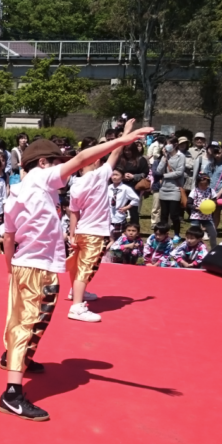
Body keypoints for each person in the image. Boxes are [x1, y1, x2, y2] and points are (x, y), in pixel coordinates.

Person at [0, 123, 153, 421]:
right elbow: (82, 159)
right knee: (27, 323)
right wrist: (120, 141)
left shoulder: (17, 192)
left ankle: (15, 358)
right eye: (58, 162)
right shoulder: (41, 177)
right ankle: (12, 395)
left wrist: (8, 268)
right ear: (44, 163)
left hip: (28, 265)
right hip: (35, 267)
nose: (65, 170)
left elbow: (8, 236)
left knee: (29, 318)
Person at [67, 121, 137, 323]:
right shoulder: (99, 175)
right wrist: (125, 133)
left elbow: (73, 212)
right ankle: (77, 307)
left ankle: (76, 292)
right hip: (95, 232)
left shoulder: (76, 185)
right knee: (86, 267)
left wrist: (72, 234)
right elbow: (116, 152)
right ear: (96, 162)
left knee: (78, 264)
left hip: (81, 230)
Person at [154, 138, 186, 234]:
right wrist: (164, 158)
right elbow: (159, 170)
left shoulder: (181, 156)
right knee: (164, 214)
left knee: (174, 214)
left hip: (175, 188)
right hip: (164, 188)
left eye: (169, 144)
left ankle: (176, 234)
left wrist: (165, 176)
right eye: (166, 144)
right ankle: (163, 233)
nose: (167, 146)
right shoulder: (166, 156)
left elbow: (179, 172)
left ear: (175, 144)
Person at [188, 173, 219, 249]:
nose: (203, 186)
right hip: (196, 216)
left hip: (207, 217)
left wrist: (211, 206)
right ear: (198, 183)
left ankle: (214, 249)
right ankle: (194, 248)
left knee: (213, 233)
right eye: (201, 184)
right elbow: (188, 204)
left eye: (205, 185)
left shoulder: (211, 191)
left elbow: (215, 201)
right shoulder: (194, 191)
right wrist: (196, 208)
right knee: (194, 234)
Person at [107, 169, 138, 241]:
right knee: (108, 237)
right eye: (113, 175)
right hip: (108, 216)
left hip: (119, 216)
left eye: (116, 175)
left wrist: (127, 207)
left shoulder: (125, 188)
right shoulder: (109, 187)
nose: (114, 177)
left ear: (122, 177)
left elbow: (136, 199)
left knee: (119, 238)